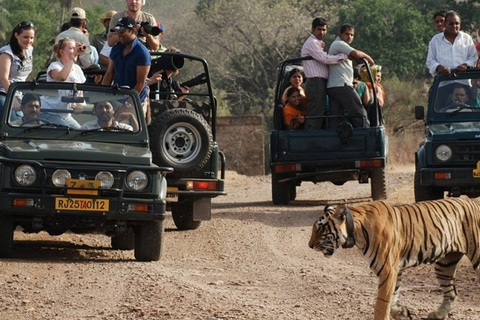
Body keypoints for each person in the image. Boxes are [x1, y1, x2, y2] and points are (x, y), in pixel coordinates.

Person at [301, 18, 348, 130]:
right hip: (315, 82)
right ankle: (311, 140)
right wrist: (343, 56)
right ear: (313, 29)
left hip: (320, 82)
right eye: (319, 29)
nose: (321, 32)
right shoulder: (312, 43)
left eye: (324, 30)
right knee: (315, 113)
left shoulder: (317, 43)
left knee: (322, 111)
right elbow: (324, 59)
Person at [102, 16, 151, 121]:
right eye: (117, 32)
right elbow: (109, 74)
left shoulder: (142, 52)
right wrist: (102, 97)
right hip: (117, 97)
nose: (119, 35)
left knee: (130, 131)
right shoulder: (116, 47)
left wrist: (127, 106)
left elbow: (140, 84)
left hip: (135, 100)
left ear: (133, 31)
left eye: (122, 31)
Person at [426, 11, 477, 109]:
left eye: (457, 23)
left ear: (460, 24)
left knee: (467, 117)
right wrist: (439, 67)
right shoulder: (435, 40)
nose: (454, 26)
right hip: (443, 84)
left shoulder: (466, 39)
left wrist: (465, 66)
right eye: (451, 23)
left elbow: (473, 58)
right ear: (445, 24)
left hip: (463, 84)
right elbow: (430, 61)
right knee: (440, 115)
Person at [327, 23, 374, 129]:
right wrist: (369, 58)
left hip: (334, 86)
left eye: (352, 35)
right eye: (347, 34)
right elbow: (356, 54)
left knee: (336, 117)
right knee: (359, 113)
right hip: (342, 85)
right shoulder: (339, 44)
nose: (349, 37)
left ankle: (334, 142)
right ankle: (366, 136)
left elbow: (353, 56)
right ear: (340, 34)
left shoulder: (342, 47)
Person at [41, 38, 87, 129]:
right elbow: (62, 77)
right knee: (67, 132)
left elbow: (80, 90)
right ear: (62, 52)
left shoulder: (77, 69)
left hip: (66, 115)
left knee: (80, 133)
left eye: (75, 48)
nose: (74, 50)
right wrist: (72, 57)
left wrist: (80, 104)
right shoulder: (54, 66)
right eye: (71, 48)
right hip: (49, 111)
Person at [0, 21, 35, 115]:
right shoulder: (6, 53)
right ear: (16, 35)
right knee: (17, 123)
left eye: (31, 38)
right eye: (25, 37)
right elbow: (4, 78)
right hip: (4, 93)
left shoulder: (29, 49)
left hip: (20, 93)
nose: (29, 41)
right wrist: (12, 98)